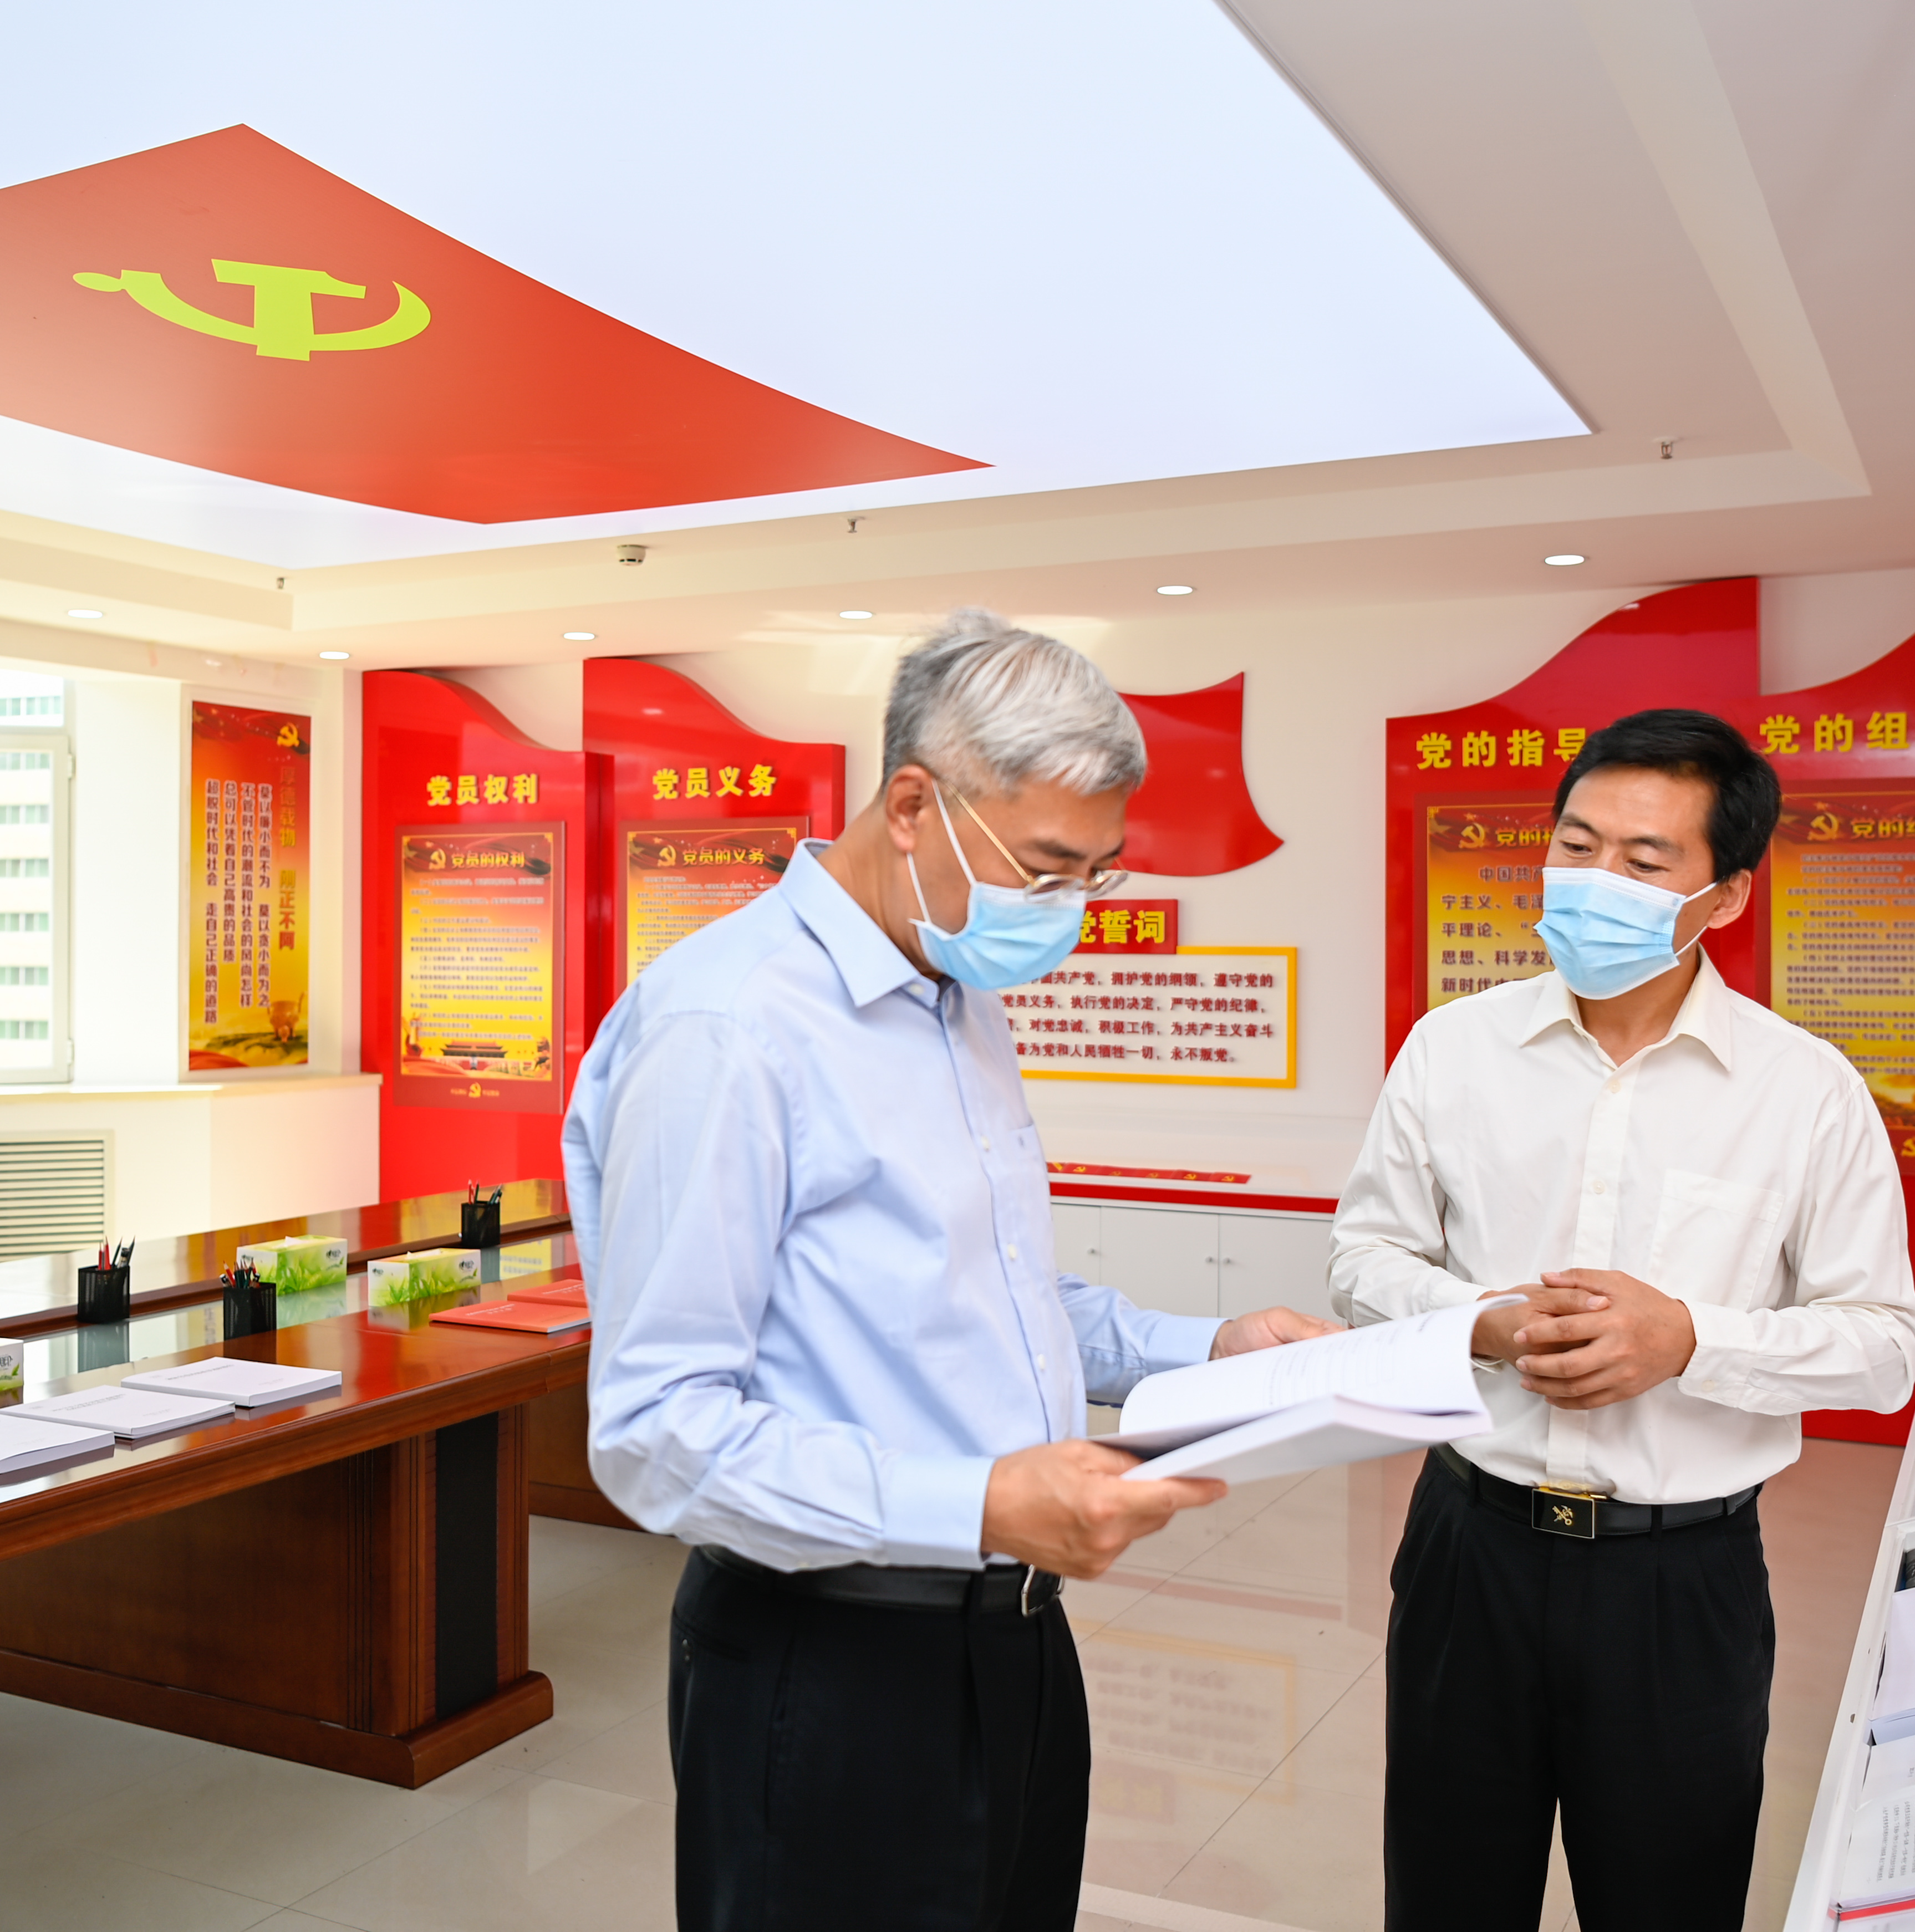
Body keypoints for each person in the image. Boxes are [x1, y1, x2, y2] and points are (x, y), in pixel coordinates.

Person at [566, 609, 1338, 1932]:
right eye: (1044, 869)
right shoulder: (728, 1026)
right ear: (915, 804)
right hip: (829, 1657)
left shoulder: (953, 994)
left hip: (1011, 1632)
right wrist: (977, 1501)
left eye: (1094, 875)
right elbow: (656, 1434)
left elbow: (986, 1295)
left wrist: (1206, 1346)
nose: (1067, 914)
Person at [1331, 708, 1915, 1932]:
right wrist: (1484, 1324)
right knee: (1444, 1896)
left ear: (1724, 895)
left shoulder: (1803, 1090)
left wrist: (1689, 1341)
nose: (1594, 880)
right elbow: (1363, 1257)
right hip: (1468, 1548)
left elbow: (1883, 1341)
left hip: (1679, 1582)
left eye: (1644, 860)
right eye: (1576, 845)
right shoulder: (1453, 1050)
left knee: (1668, 1901)